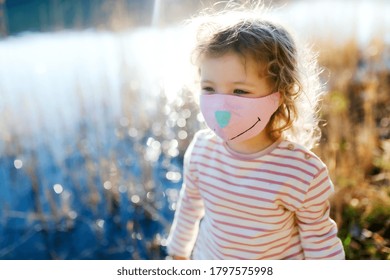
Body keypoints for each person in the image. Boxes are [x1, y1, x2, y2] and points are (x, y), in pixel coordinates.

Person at [166, 4, 345, 260]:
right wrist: (177, 255)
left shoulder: (302, 172)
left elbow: (320, 243)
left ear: (279, 95)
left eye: (240, 91)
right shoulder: (201, 150)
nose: (221, 107)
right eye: (209, 88)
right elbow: (189, 206)